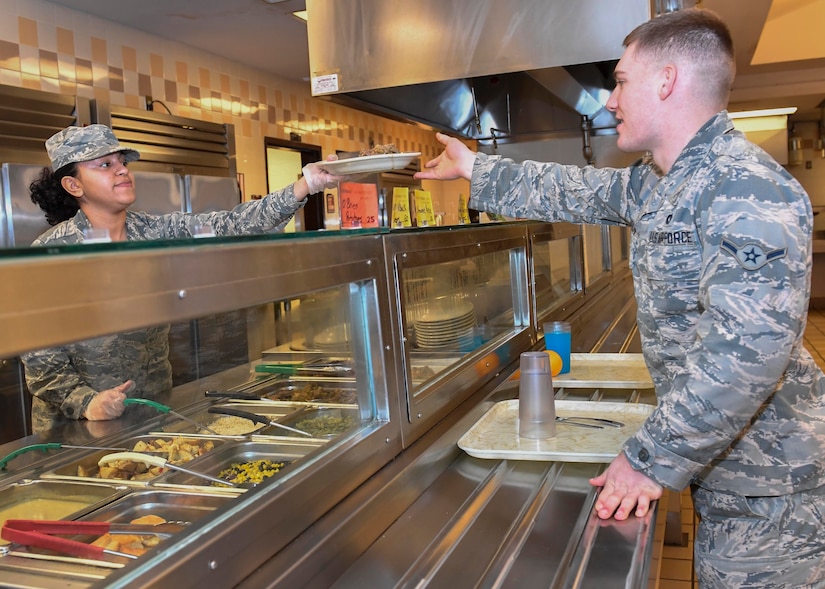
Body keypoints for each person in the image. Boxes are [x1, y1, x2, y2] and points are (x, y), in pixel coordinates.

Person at [416, 9, 825, 588]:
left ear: (666, 80)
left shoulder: (746, 186)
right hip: (733, 473)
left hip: (771, 485)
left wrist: (647, 458)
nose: (610, 99)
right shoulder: (661, 180)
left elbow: (746, 357)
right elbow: (578, 189)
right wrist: (477, 169)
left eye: (622, 80)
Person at [22, 124, 343, 433]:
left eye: (122, 162)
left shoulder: (154, 233)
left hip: (151, 409)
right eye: (105, 164)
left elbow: (232, 224)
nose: (122, 170)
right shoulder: (51, 253)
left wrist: (306, 184)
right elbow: (38, 354)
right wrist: (86, 402)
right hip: (77, 428)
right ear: (73, 186)